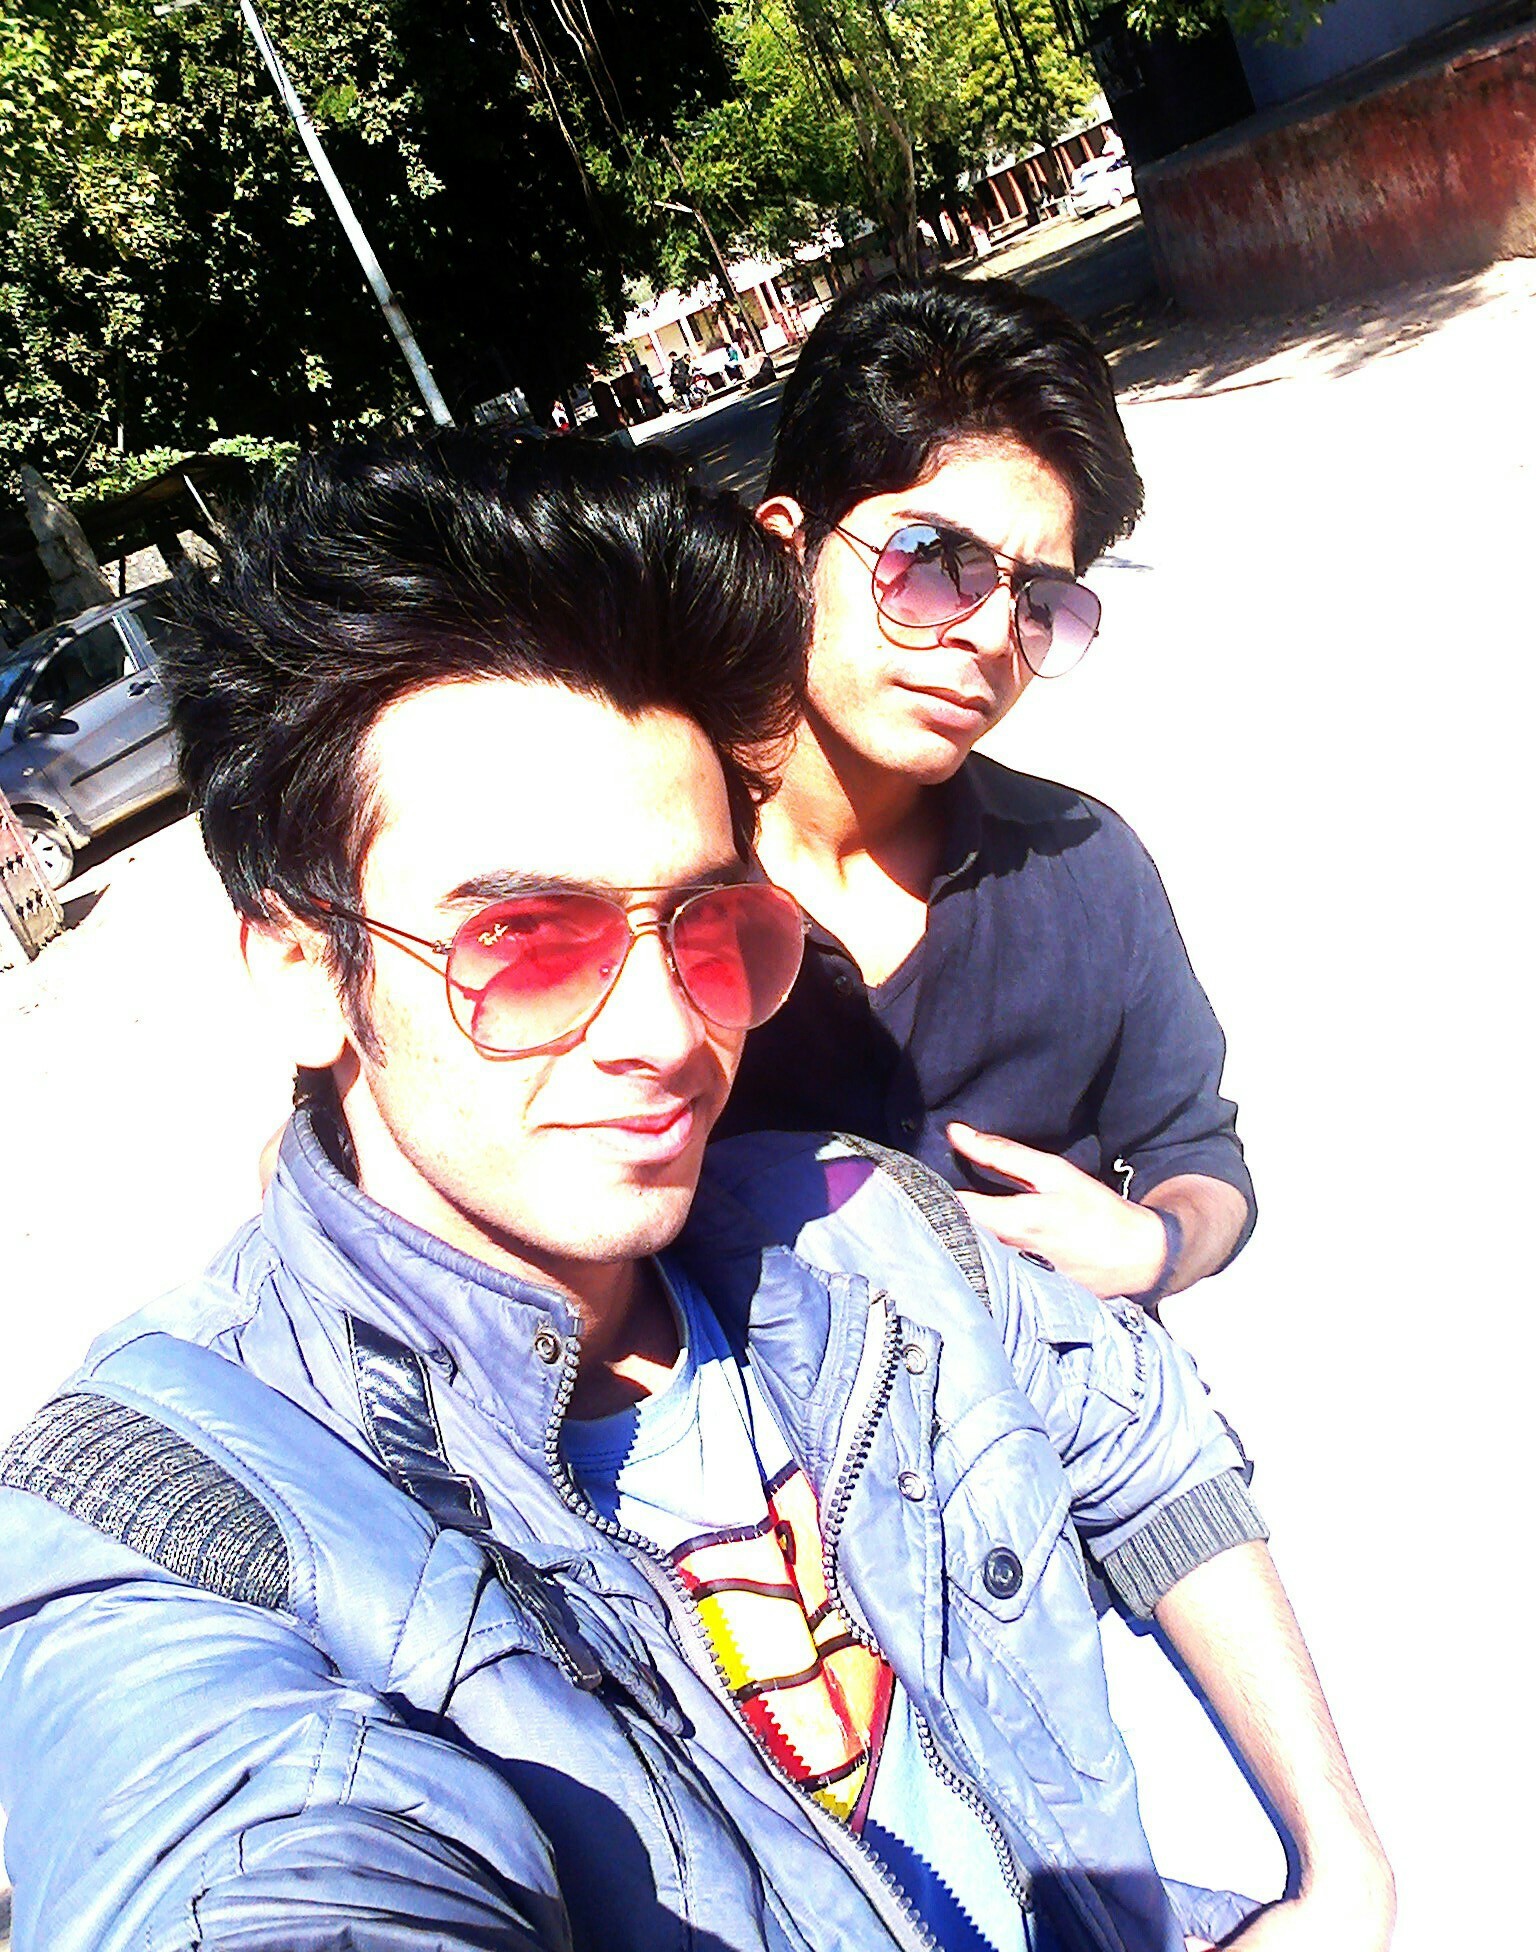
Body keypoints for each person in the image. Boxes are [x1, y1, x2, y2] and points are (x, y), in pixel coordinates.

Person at [0, 436, 1393, 1952]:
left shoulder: (862, 1225)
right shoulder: (174, 1516)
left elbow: (1146, 1435)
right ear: (302, 970)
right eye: (528, 942)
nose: (667, 1033)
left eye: (709, 928)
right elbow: (250, 1854)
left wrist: (1340, 1865)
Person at [725, 277, 1251, 1311]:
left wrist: (1156, 1244)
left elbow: (1196, 1149)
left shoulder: (1081, 862)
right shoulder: (642, 888)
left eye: (1040, 600)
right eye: (933, 560)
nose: (985, 635)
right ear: (789, 549)